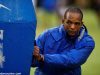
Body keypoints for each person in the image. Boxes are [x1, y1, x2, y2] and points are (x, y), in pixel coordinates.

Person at [31, 7, 95, 75]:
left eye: (76, 23)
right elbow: (34, 62)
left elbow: (71, 60)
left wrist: (43, 57)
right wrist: (32, 54)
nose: (72, 27)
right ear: (63, 21)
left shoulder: (88, 42)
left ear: (81, 24)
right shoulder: (47, 35)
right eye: (69, 22)